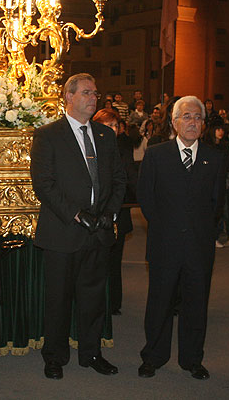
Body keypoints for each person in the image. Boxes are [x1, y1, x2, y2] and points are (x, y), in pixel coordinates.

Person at [30, 73, 126, 380]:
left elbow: (118, 180)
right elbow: (44, 184)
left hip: (98, 231)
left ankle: (91, 352)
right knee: (58, 299)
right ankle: (55, 356)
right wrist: (76, 214)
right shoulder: (48, 135)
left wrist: (108, 214)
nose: (93, 98)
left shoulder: (105, 135)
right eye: (86, 93)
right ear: (68, 97)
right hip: (63, 231)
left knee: (94, 298)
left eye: (95, 93)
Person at [137, 95, 225, 381]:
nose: (193, 122)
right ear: (174, 122)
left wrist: (199, 231)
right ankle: (153, 357)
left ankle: (192, 360)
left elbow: (216, 204)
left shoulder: (214, 157)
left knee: (196, 304)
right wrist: (167, 229)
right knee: (160, 303)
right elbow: (146, 199)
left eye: (198, 117)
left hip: (199, 247)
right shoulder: (156, 154)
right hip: (165, 244)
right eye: (186, 117)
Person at [92, 108, 137, 316]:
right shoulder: (90, 146)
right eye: (107, 125)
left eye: (115, 125)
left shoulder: (122, 148)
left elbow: (128, 181)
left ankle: (113, 302)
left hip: (117, 211)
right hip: (93, 214)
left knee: (113, 261)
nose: (112, 129)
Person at [202, 124, 229, 248]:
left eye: (221, 129)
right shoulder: (206, 146)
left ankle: (216, 234)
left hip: (221, 181)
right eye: (218, 129)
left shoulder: (225, 146)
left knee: (219, 208)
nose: (220, 132)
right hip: (208, 182)